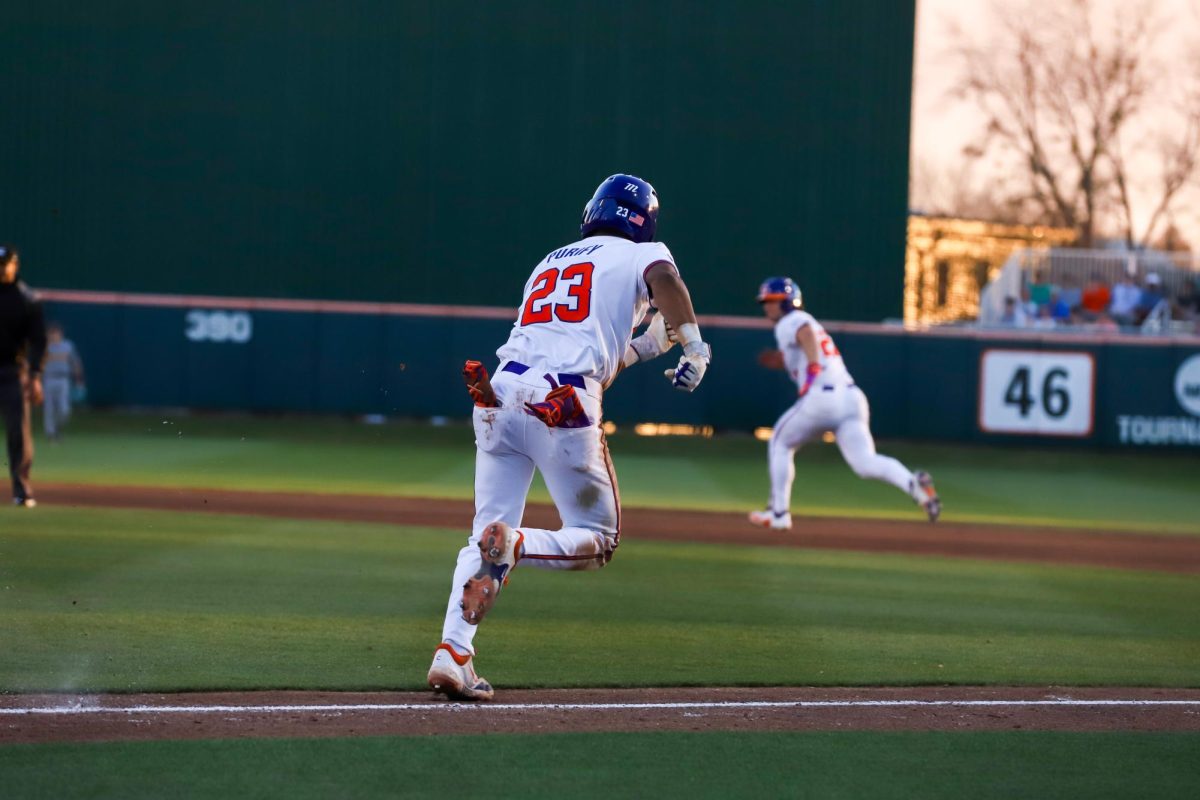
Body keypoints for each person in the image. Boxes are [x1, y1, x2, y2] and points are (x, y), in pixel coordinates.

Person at [427, 174, 711, 701]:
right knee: (597, 539)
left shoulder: (553, 259)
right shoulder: (644, 253)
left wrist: (644, 349)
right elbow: (667, 282)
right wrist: (695, 347)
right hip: (563, 403)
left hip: (499, 391)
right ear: (644, 222)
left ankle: (453, 652)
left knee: (483, 531)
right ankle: (517, 544)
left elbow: (586, 346)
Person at [748, 277, 939, 531]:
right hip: (851, 399)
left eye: (772, 301)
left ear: (787, 302)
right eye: (765, 301)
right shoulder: (804, 324)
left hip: (821, 397)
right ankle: (913, 484)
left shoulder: (791, 320)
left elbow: (804, 334)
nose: (767, 306)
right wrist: (783, 361)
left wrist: (814, 367)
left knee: (780, 442)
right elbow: (804, 346)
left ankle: (779, 513)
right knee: (865, 462)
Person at [0, 245, 46, 508]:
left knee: (18, 432)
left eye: (6, 263)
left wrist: (35, 374)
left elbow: (38, 341)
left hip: (11, 371)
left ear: (15, 265)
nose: (2, 268)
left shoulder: (28, 298)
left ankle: (21, 490)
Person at [42, 322, 86, 442]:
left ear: (60, 334)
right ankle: (50, 434)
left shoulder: (68, 346)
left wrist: (79, 380)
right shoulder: (44, 346)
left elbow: (75, 363)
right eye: (51, 333)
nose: (53, 335)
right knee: (49, 408)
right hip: (49, 378)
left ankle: (57, 428)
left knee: (64, 409)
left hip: (63, 379)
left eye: (55, 333)